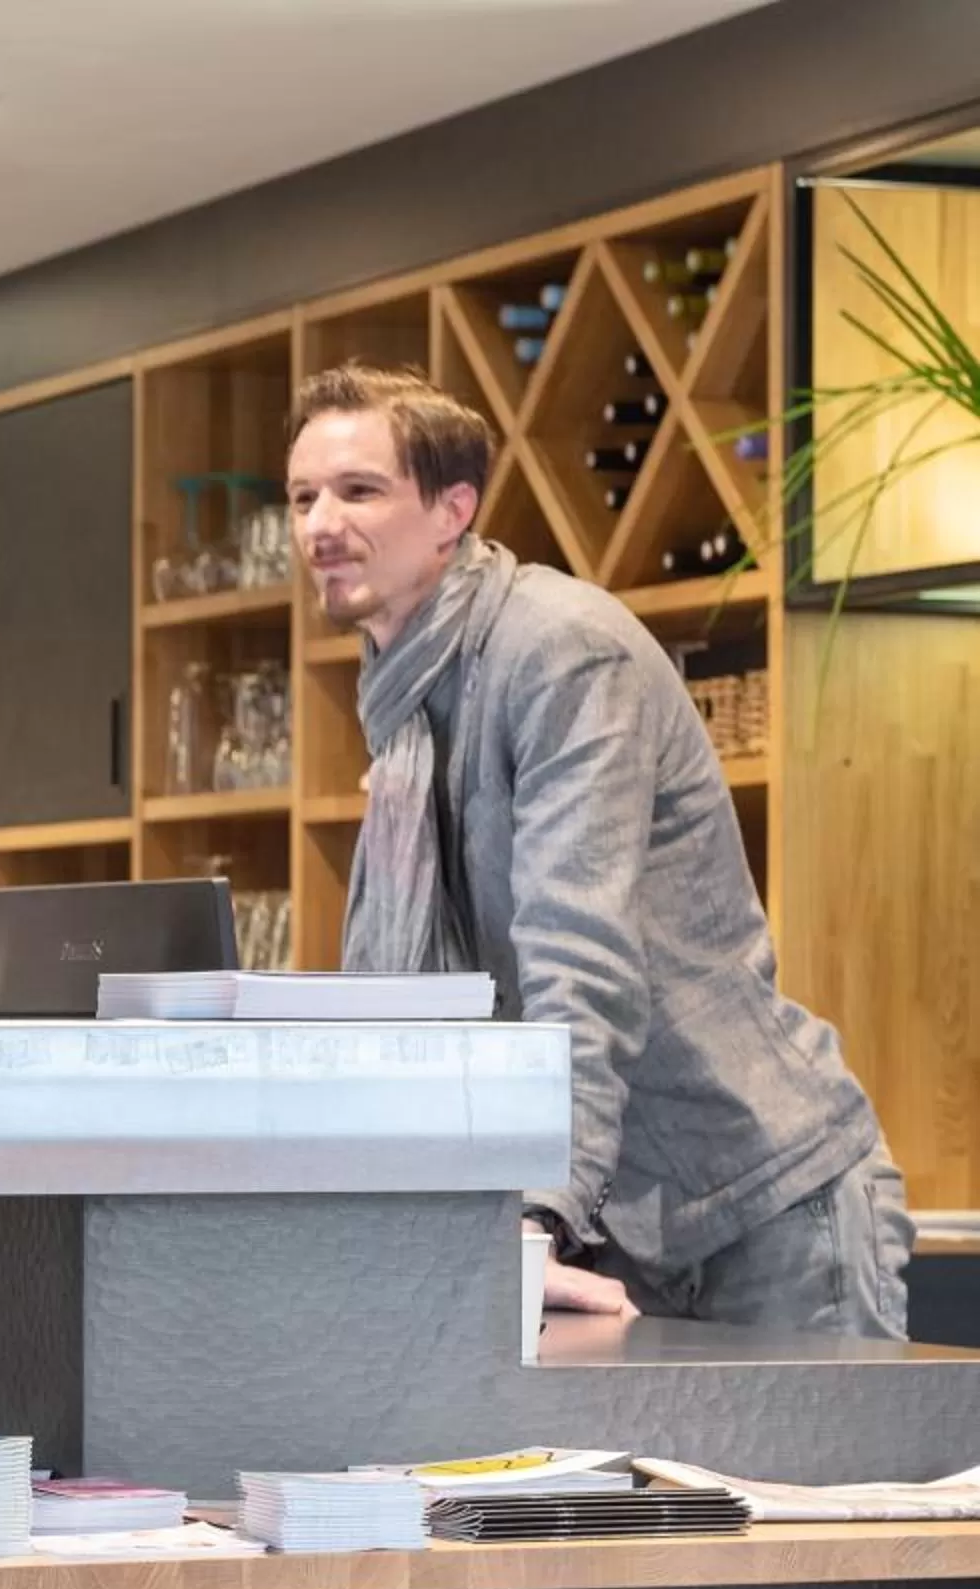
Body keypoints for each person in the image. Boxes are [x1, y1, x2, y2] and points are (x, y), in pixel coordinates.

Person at [284, 363, 912, 1336]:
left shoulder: (560, 651)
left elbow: (579, 953)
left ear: (453, 509)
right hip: (614, 1230)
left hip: (761, 1212)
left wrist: (535, 1216)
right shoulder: (404, 696)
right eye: (302, 497)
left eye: (358, 490)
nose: (321, 524)